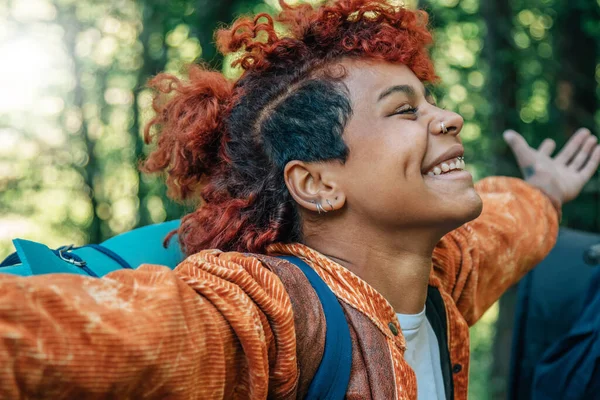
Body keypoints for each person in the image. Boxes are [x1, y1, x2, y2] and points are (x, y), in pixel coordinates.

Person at [1, 0, 599, 398]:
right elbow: (93, 334)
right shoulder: (268, 316)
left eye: (431, 100)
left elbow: (511, 222)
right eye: (404, 110)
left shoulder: (442, 274)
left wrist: (547, 190)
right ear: (317, 184)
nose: (451, 117)